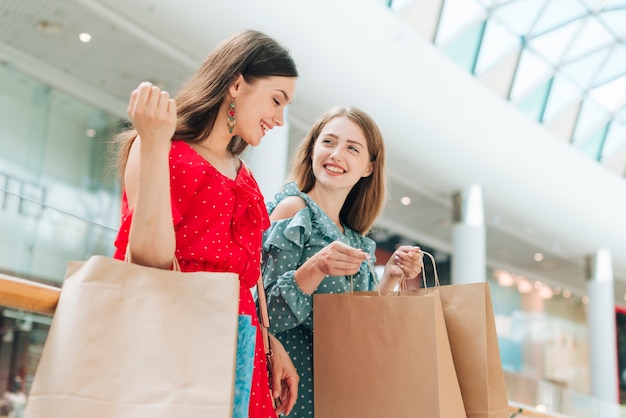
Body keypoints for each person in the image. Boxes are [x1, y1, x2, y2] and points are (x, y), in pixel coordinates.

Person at [112, 29, 299, 417]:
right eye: (276, 101)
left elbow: (247, 280)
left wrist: (269, 342)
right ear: (235, 84)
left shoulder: (243, 176)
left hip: (240, 344)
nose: (280, 119)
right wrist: (154, 143)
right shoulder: (161, 147)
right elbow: (149, 257)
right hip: (175, 334)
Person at [260, 106, 424, 416]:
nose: (337, 154)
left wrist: (390, 277)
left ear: (368, 168)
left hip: (338, 393)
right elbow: (266, 317)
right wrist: (316, 267)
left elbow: (361, 327)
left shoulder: (354, 238)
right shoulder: (294, 211)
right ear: (311, 151)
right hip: (289, 393)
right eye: (328, 142)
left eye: (352, 148)